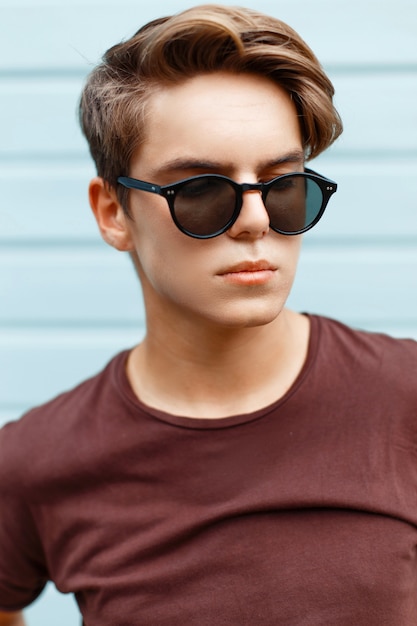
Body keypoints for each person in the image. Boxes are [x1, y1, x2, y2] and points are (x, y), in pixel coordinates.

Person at [1, 4, 416, 625]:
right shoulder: (35, 461)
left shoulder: (404, 398)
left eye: (283, 186)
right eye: (199, 190)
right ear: (114, 212)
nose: (255, 220)